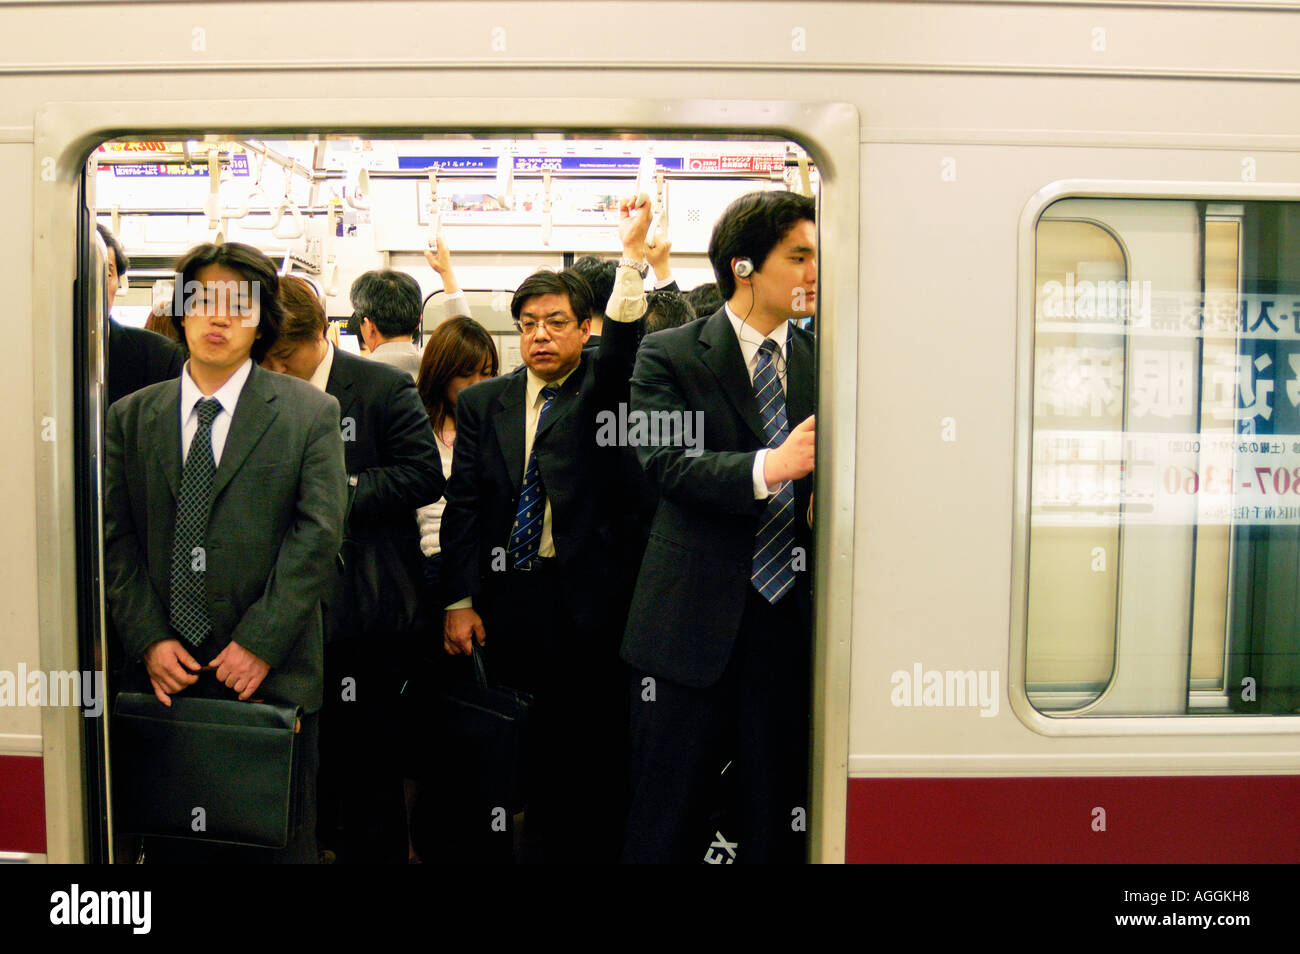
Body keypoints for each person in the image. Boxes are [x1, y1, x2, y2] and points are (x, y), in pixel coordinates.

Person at [104, 241, 348, 863]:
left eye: (239, 304)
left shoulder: (309, 413)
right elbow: (114, 536)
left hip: (269, 677)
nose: (218, 317)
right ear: (178, 309)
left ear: (262, 318)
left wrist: (261, 641)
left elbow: (318, 535)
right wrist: (150, 639)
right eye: (202, 299)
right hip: (163, 679)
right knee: (168, 847)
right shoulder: (130, 418)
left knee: (275, 844)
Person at [438, 195, 653, 863]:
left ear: (585, 326)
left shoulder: (605, 387)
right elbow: (465, 505)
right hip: (512, 598)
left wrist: (632, 257)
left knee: (591, 748)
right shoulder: (483, 403)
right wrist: (459, 599)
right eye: (528, 324)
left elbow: (623, 349)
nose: (540, 336)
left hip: (592, 601)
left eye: (557, 322)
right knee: (513, 743)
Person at [620, 190, 818, 864]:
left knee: (778, 811)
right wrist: (772, 465)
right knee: (667, 812)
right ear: (744, 266)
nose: (814, 272)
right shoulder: (670, 354)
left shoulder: (831, 359)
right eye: (799, 256)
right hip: (689, 626)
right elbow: (662, 462)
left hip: (793, 622)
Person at [262, 274, 445, 864]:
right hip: (282, 606)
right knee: (303, 762)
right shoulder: (259, 391)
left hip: (364, 606)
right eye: (269, 356)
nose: (279, 368)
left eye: (287, 355)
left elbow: (423, 475)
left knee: (370, 760)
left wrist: (335, 489)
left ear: (324, 332)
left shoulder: (381, 387)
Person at [405, 315, 499, 862]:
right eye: (467, 374)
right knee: (426, 716)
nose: (478, 385)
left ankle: (473, 830)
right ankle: (419, 839)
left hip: (477, 569)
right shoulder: (414, 425)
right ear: (442, 374)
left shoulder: (492, 421)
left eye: (487, 372)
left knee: (477, 708)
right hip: (426, 572)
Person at [97, 224, 182, 408]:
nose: (93, 283)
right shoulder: (33, 353)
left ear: (118, 282)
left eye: (106, 273)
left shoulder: (160, 357)